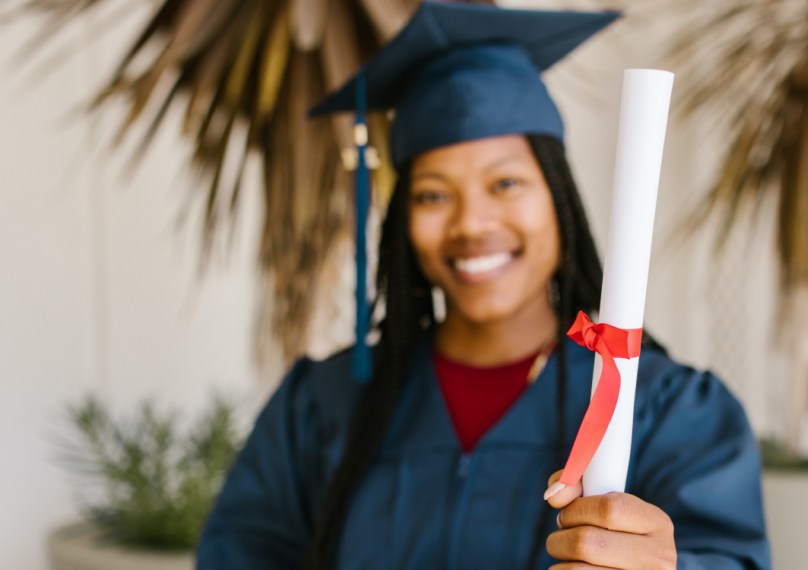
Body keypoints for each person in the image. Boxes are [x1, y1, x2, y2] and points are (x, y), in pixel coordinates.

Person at [197, 3, 771, 569]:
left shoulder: (672, 412)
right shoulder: (322, 406)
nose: (471, 224)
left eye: (506, 183)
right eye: (433, 195)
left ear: (558, 197)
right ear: (401, 223)